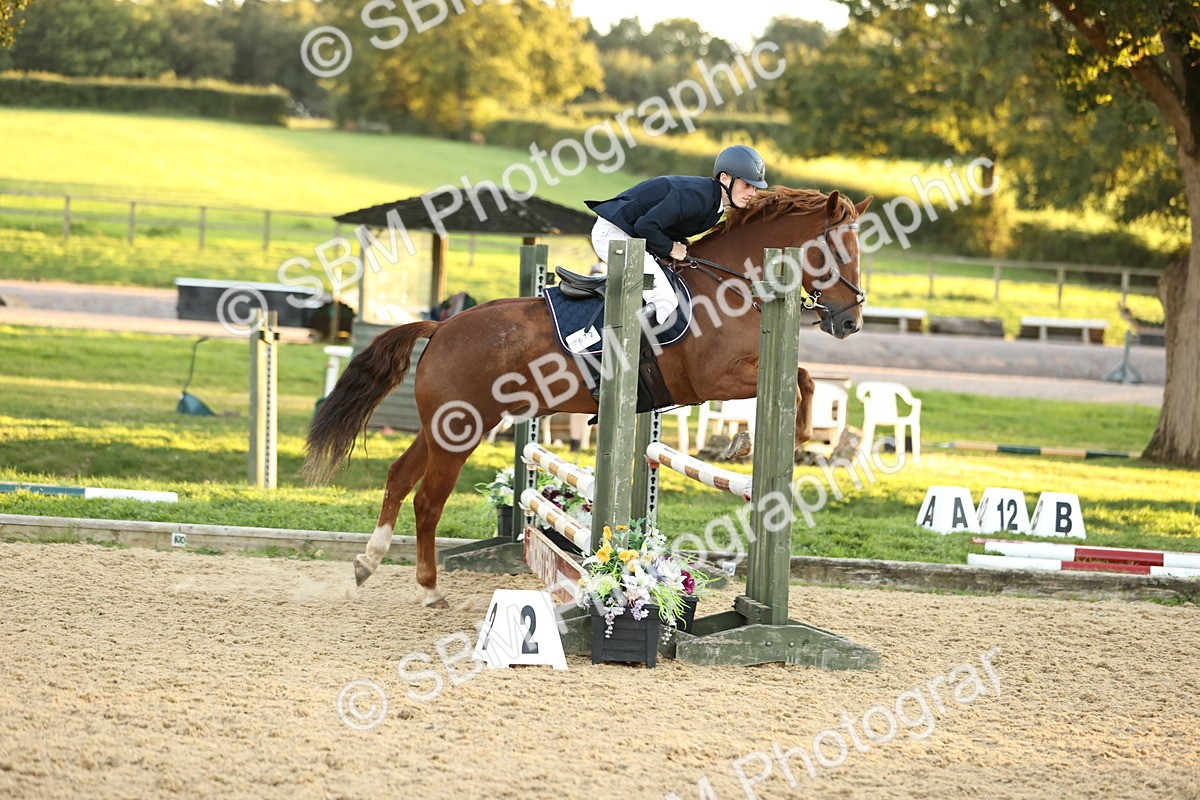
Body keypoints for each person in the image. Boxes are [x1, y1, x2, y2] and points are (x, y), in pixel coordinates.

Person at [585, 145, 768, 324]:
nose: (752, 193)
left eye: (754, 187)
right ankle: (614, 345)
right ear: (725, 178)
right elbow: (645, 226)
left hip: (632, 236)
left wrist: (679, 246)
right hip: (614, 234)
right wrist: (671, 248)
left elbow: (670, 228)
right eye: (747, 185)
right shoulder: (697, 197)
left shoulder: (715, 205)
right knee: (664, 300)